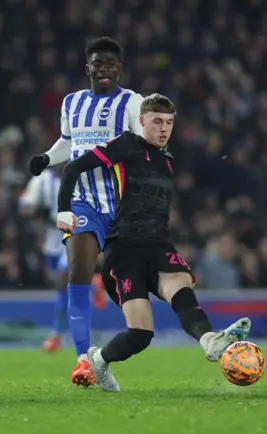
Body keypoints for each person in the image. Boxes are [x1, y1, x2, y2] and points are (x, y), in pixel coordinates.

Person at [56, 93, 251, 392]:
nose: (163, 128)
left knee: (181, 285)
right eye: (157, 121)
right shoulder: (125, 145)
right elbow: (72, 168)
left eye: (169, 123)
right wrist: (64, 210)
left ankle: (210, 341)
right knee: (141, 334)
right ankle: (99, 359)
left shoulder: (167, 158)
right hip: (123, 248)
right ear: (142, 120)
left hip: (158, 244)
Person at [28, 37, 143, 386]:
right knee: (78, 269)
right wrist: (48, 158)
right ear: (88, 68)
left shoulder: (132, 102)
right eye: (97, 63)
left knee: (131, 277)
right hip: (82, 200)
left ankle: (113, 352)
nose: (104, 68)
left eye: (110, 63)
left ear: (119, 69)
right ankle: (82, 358)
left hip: (122, 202)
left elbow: (142, 145)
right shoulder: (72, 102)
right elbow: (69, 141)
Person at [18, 168, 69, 351]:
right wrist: (37, 211)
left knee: (63, 279)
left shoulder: (80, 173)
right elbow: (24, 205)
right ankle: (59, 332)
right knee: (60, 287)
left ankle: (56, 333)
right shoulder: (43, 179)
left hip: (73, 236)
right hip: (51, 241)